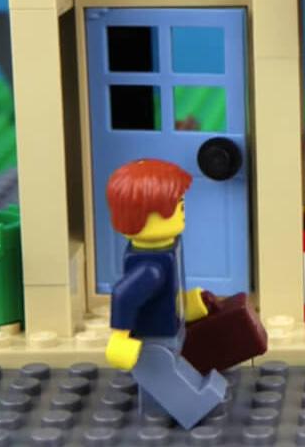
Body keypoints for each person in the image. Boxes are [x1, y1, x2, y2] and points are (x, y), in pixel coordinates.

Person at [104, 158, 227, 430]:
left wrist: (187, 303)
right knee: (160, 373)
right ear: (139, 215)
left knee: (167, 369)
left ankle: (168, 408)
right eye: (176, 206)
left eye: (182, 205)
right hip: (154, 336)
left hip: (170, 329)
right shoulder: (149, 267)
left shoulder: (168, 250)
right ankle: (172, 411)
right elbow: (123, 295)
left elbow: (165, 292)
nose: (182, 211)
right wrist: (119, 337)